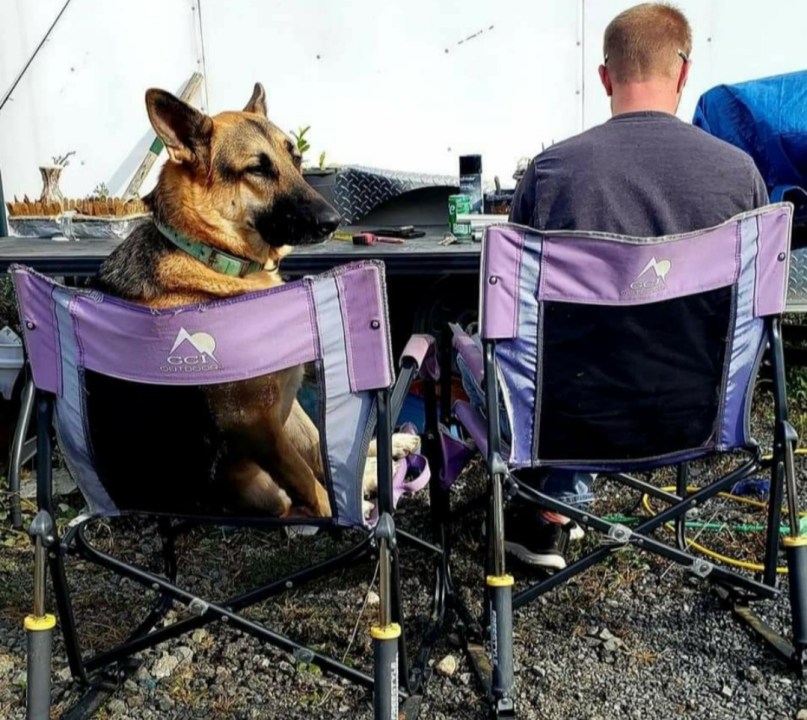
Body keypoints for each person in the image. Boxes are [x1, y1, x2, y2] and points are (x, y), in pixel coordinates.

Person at [462, 2, 769, 571]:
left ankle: (549, 507)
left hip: (574, 415)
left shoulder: (553, 172)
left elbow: (516, 312)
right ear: (683, 71)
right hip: (698, 414)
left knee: (480, 351)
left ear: (604, 76)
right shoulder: (740, 174)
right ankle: (556, 504)